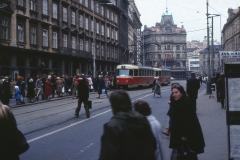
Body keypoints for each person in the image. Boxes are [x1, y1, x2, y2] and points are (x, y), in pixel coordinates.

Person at [99, 90, 156, 160]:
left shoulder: (113, 126)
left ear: (113, 107)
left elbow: (108, 156)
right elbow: (153, 145)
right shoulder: (143, 119)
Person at [169, 84, 205, 160]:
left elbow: (188, 121)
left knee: (187, 153)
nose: (174, 95)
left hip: (186, 135)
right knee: (184, 153)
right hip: (179, 133)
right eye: (173, 93)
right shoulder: (177, 102)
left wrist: (184, 135)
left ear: (181, 93)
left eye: (176, 92)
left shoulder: (186, 103)